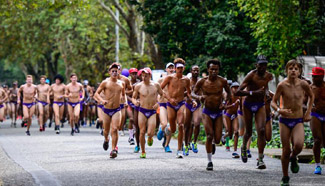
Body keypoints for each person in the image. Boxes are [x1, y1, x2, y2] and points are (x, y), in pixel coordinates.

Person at [271, 59, 313, 186]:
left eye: (296, 69)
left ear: (299, 71)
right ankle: (285, 177)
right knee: (285, 149)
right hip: (284, 121)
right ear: (286, 70)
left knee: (299, 145)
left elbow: (312, 96)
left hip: (298, 120)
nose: (293, 71)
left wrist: (308, 112)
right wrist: (279, 110)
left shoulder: (304, 84)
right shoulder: (282, 85)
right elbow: (273, 102)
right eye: (290, 68)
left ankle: (294, 157)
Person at [234, 55, 273, 169]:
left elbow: (265, 87)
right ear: (256, 65)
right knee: (249, 132)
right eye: (260, 64)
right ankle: (243, 147)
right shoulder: (251, 75)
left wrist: (266, 94)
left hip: (260, 104)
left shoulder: (268, 75)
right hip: (248, 105)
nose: (263, 67)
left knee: (261, 130)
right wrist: (252, 93)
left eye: (265, 64)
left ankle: (260, 159)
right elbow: (238, 92)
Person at [192, 59, 231, 171]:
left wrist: (224, 103)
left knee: (218, 139)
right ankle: (209, 161)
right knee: (209, 135)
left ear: (218, 70)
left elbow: (229, 93)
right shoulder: (202, 82)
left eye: (216, 69)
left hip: (218, 112)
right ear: (208, 70)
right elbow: (193, 93)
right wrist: (199, 97)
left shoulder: (222, 81)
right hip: (207, 112)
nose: (214, 71)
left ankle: (214, 142)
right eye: (212, 69)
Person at [161, 58, 196, 158]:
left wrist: (192, 100)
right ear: (175, 68)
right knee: (173, 128)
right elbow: (160, 89)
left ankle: (179, 149)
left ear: (184, 68)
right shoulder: (169, 78)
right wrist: (169, 98)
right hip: (171, 104)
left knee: (181, 125)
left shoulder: (186, 80)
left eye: (181, 68)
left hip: (181, 103)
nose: (180, 70)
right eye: (178, 68)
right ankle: (168, 128)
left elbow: (188, 93)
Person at [132, 68, 166, 158]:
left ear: (150, 75)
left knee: (150, 133)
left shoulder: (156, 85)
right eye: (142, 75)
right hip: (142, 110)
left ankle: (150, 137)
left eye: (146, 75)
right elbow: (133, 97)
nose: (144, 77)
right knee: (142, 131)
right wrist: (135, 102)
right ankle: (143, 151)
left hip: (152, 111)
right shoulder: (138, 86)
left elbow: (162, 95)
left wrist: (158, 103)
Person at [95, 63, 125, 158]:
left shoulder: (121, 83)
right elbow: (96, 94)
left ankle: (113, 150)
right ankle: (106, 139)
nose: (115, 72)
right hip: (106, 110)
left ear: (118, 72)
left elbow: (123, 95)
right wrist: (101, 100)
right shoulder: (105, 83)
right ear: (109, 72)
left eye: (116, 71)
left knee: (115, 128)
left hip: (117, 109)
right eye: (113, 71)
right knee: (106, 130)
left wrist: (124, 101)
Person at [309, 67, 325, 175]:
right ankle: (318, 166)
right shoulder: (310, 88)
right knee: (317, 139)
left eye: (315, 76)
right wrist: (309, 108)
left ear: (321, 77)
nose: (313, 78)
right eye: (312, 76)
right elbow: (301, 102)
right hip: (315, 115)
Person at [183, 65, 202, 155]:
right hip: (188, 104)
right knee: (186, 126)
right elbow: (182, 92)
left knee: (197, 123)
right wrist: (187, 93)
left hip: (197, 105)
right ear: (191, 71)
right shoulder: (187, 81)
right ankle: (186, 145)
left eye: (197, 70)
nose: (195, 72)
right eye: (194, 70)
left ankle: (194, 142)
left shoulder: (201, 81)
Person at [157, 62, 175, 153]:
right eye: (169, 68)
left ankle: (167, 145)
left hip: (173, 105)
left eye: (172, 68)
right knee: (164, 124)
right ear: (166, 69)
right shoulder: (161, 79)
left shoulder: (177, 80)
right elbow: (156, 90)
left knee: (171, 127)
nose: (171, 69)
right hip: (163, 103)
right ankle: (161, 128)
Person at [223, 82, 241, 158]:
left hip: (235, 115)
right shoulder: (229, 96)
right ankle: (223, 136)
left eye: (237, 87)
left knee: (236, 132)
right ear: (231, 88)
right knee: (229, 133)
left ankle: (235, 151)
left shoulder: (240, 96)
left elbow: (241, 107)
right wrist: (234, 104)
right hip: (227, 115)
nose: (236, 89)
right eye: (234, 87)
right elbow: (225, 107)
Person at [127, 68, 140, 148]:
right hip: (129, 103)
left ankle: (135, 132)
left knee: (136, 121)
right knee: (131, 119)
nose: (134, 75)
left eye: (135, 73)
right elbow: (125, 93)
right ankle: (131, 137)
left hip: (137, 103)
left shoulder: (139, 83)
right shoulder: (128, 82)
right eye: (133, 74)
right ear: (130, 74)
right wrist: (131, 99)